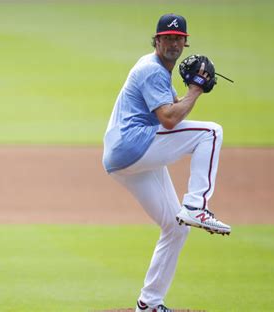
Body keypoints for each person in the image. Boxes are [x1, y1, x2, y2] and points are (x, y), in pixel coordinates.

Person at [102, 13, 231, 312]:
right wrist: (196, 89)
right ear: (157, 40)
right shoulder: (152, 70)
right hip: (133, 146)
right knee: (212, 132)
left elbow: (173, 107)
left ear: (185, 43)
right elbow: (170, 119)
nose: (173, 43)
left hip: (122, 160)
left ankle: (149, 303)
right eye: (167, 38)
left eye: (178, 39)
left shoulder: (157, 69)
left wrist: (191, 91)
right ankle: (197, 205)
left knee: (176, 227)